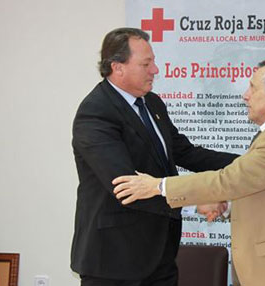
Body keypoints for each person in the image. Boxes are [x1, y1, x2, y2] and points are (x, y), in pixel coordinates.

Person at [112, 58, 265, 286]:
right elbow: (264, 189)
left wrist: (158, 186)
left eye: (252, 87)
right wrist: (227, 206)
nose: (246, 95)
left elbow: (230, 180)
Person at [70, 27, 238, 286]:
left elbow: (186, 152)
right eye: (146, 63)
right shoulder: (95, 112)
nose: (155, 70)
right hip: (115, 262)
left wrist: (248, 163)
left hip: (159, 257)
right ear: (118, 67)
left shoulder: (153, 104)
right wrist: (196, 202)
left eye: (154, 61)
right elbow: (126, 186)